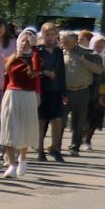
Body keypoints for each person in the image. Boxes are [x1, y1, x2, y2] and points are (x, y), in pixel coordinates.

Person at [0, 30, 43, 180]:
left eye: (28, 42)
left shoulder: (35, 58)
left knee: (25, 128)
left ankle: (23, 157)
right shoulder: (11, 59)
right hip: (11, 95)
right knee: (9, 129)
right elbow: (5, 80)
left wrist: (33, 51)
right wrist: (2, 98)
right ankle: (11, 164)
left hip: (28, 96)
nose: (25, 44)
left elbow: (34, 72)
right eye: (23, 41)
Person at [62, 29, 103, 155]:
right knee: (61, 120)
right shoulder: (60, 53)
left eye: (67, 42)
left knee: (78, 121)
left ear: (75, 42)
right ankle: (56, 146)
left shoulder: (87, 54)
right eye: (63, 42)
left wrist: (84, 61)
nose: (64, 44)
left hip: (82, 91)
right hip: (65, 93)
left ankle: (75, 146)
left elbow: (98, 70)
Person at [33, 25, 70, 162]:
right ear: (42, 35)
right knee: (41, 121)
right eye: (46, 34)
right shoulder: (37, 50)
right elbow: (33, 69)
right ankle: (40, 150)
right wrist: (44, 73)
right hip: (41, 88)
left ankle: (55, 148)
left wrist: (64, 92)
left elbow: (61, 73)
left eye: (51, 34)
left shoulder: (59, 52)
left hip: (55, 89)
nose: (49, 37)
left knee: (57, 120)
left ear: (56, 35)